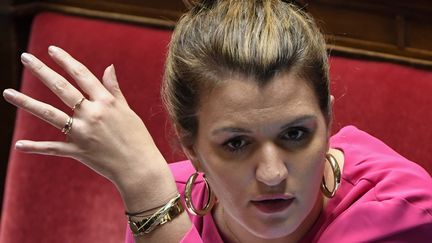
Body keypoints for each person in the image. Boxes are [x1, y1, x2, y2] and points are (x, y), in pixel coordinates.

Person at [3, 0, 432, 242]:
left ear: (329, 120)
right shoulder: (172, 194)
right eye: (236, 144)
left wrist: (148, 196)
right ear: (192, 150)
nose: (272, 173)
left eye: (296, 134)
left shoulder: (403, 212)